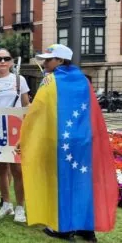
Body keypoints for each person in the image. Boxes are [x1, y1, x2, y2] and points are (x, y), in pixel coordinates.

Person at [19, 44, 118, 242]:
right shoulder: (83, 80)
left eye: (48, 59)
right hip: (84, 142)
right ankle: (87, 229)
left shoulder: (50, 80)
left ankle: (63, 229)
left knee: (62, 182)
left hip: (60, 142)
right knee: (84, 182)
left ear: (60, 61)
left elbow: (37, 111)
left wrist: (25, 136)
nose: (45, 62)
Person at [0, 48, 30, 223]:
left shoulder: (19, 79)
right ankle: (6, 204)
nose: (2, 62)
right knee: (1, 169)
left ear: (11, 62)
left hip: (16, 129)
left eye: (6, 59)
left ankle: (20, 207)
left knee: (17, 170)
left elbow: (26, 104)